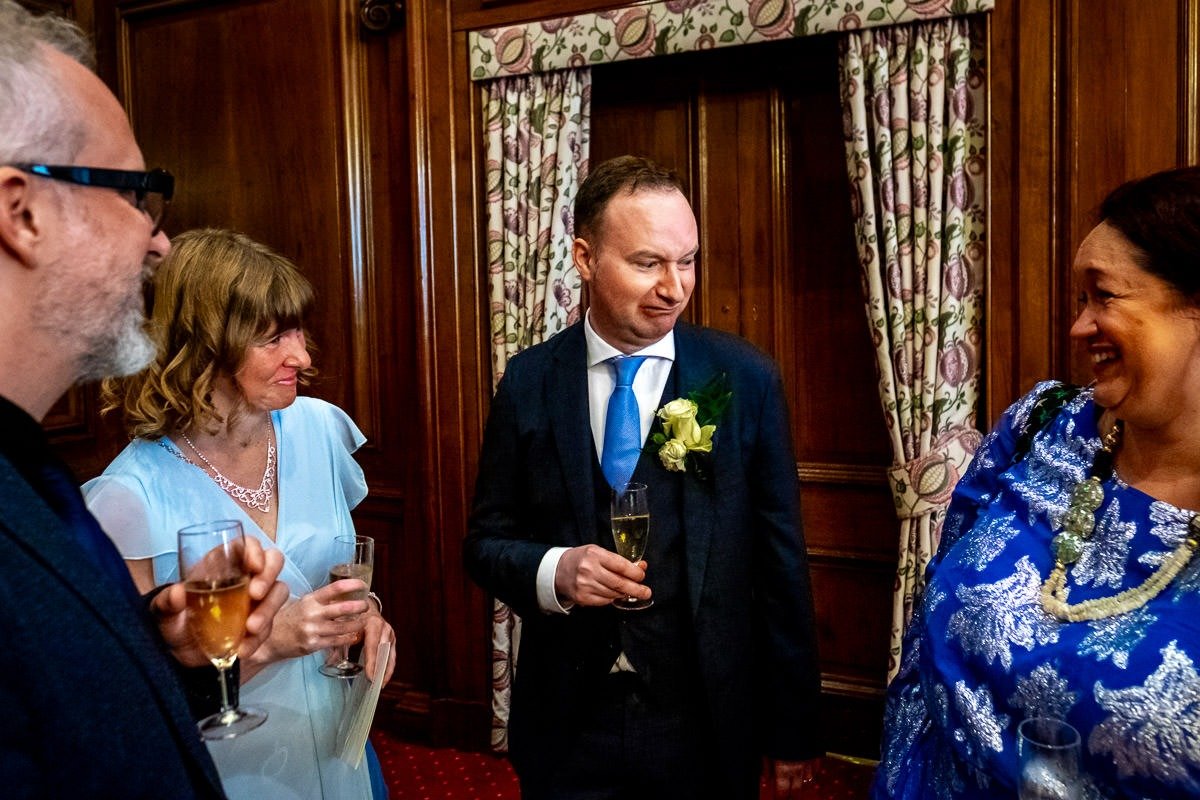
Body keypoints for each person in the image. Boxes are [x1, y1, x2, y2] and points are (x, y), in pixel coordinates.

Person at [464, 155, 822, 799]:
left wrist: (792, 725)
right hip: (570, 720)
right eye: (648, 263)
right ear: (583, 257)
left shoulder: (741, 380)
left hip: (707, 722)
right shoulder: (528, 382)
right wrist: (555, 571)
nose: (675, 287)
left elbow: (780, 565)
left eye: (686, 261)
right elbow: (486, 542)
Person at [0, 4, 288, 797]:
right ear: (21, 211)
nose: (158, 241)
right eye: (136, 194)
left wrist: (174, 654)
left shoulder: (28, 468)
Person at [872, 165, 1200, 799]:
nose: (1079, 327)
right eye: (1082, 300)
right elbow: (925, 639)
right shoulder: (1042, 426)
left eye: (1104, 296)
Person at [83, 228, 396, 799]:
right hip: (236, 769)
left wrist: (365, 613)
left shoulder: (318, 428)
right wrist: (273, 641)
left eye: (298, 331)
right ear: (204, 345)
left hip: (338, 742)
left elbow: (335, 572)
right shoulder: (127, 496)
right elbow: (131, 694)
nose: (300, 356)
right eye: (272, 339)